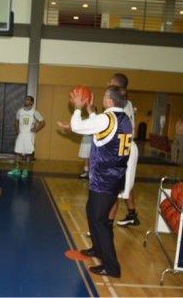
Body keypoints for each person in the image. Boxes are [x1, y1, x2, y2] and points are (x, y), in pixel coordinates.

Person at [58, 85, 132, 278]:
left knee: (100, 221)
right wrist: (90, 111)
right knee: (92, 212)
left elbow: (77, 126)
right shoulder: (124, 119)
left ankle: (111, 267)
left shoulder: (106, 119)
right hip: (113, 177)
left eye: (104, 97)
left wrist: (77, 107)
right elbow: (100, 129)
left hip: (104, 179)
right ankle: (97, 250)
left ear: (109, 101)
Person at [108, 73, 140, 227]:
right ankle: (132, 214)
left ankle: (106, 225)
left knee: (114, 188)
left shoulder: (120, 105)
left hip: (124, 148)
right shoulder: (127, 103)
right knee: (125, 185)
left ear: (118, 86)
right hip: (126, 147)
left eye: (110, 81)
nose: (107, 83)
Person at [7, 95, 45, 179]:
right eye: (26, 99)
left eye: (28, 100)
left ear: (31, 102)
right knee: (17, 152)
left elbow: (43, 122)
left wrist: (35, 129)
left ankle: (25, 170)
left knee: (28, 153)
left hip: (29, 135)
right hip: (21, 135)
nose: (26, 101)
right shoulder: (20, 111)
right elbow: (16, 121)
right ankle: (16, 170)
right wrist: (17, 130)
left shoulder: (34, 112)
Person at [78, 106, 97, 179]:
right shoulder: (87, 120)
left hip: (92, 141)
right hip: (85, 140)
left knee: (91, 158)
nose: (92, 111)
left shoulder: (96, 121)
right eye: (91, 109)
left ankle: (92, 173)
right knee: (86, 157)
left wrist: (89, 132)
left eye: (94, 110)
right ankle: (86, 172)